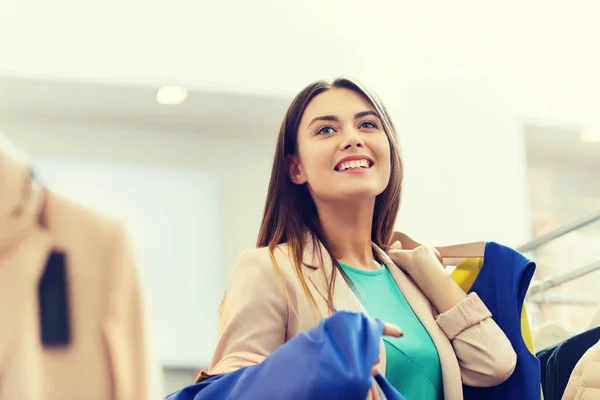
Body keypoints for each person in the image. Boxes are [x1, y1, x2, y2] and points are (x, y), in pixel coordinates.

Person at [209, 78, 517, 399]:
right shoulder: (267, 268)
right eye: (326, 130)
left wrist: (431, 272)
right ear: (295, 168)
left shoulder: (410, 280)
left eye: (368, 124)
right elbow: (236, 390)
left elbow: (494, 364)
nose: (353, 139)